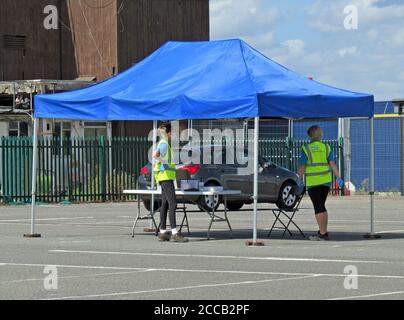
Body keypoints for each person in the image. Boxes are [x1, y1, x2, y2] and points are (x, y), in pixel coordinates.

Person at [298, 125, 343, 241]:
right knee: (321, 206)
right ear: (320, 134)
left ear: (310, 135)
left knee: (318, 207)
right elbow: (332, 163)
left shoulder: (306, 148)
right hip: (326, 182)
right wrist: (338, 177)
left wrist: (299, 179)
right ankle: (323, 231)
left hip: (313, 182)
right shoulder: (326, 147)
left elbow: (302, 166)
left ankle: (323, 234)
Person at [153, 122, 188, 243]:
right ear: (167, 133)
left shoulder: (164, 144)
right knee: (173, 204)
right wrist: (163, 162)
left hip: (164, 177)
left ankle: (162, 232)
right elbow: (156, 155)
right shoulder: (163, 144)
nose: (173, 135)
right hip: (166, 177)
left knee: (165, 205)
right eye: (172, 132)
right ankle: (174, 233)